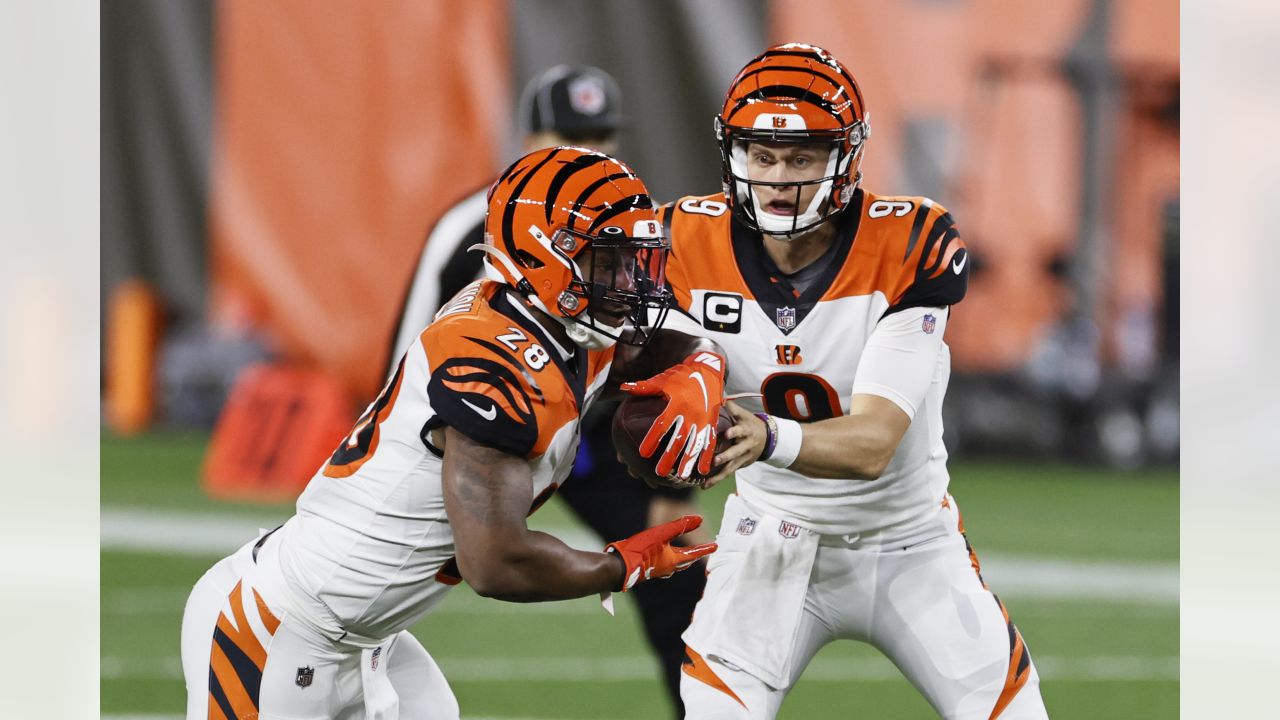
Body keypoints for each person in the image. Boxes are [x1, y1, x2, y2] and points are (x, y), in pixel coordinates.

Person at [180, 146, 726, 719]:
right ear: (548, 259)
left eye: (634, 261)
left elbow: (666, 345)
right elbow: (496, 563)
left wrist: (703, 369)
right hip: (278, 628)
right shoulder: (490, 364)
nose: (629, 282)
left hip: (366, 638)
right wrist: (622, 564)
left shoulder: (558, 320)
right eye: (609, 262)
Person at [653, 44, 1049, 718]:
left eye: (802, 157)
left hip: (910, 542)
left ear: (844, 158)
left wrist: (765, 436)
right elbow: (646, 375)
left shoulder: (907, 244)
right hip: (771, 540)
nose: (779, 177)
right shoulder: (683, 240)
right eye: (762, 154)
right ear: (733, 155)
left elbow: (873, 445)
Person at [385, 64, 709, 715]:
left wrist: (672, 477)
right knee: (410, 568)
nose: (588, 151)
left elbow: (672, 338)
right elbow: (407, 354)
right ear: (529, 139)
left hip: (592, 429)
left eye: (601, 137)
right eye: (567, 134)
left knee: (679, 576)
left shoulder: (622, 227)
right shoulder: (466, 225)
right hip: (485, 425)